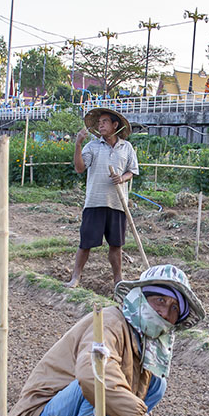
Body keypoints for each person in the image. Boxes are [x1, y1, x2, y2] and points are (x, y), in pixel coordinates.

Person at [9, 264, 205, 416]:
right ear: (141, 297)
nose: (164, 312)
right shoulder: (111, 321)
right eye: (159, 300)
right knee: (98, 380)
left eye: (174, 308)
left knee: (155, 384)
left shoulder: (143, 339)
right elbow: (93, 376)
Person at [66, 108, 140, 288]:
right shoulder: (92, 146)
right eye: (99, 122)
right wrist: (77, 145)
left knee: (116, 245)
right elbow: (79, 168)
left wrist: (121, 178)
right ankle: (76, 277)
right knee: (86, 243)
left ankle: (118, 279)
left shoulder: (126, 147)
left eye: (105, 121)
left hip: (117, 203)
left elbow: (132, 171)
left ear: (115, 125)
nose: (100, 124)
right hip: (95, 201)